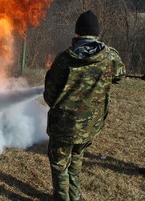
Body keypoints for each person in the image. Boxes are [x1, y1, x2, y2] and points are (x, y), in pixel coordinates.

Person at [43, 10, 126, 201]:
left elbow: (50, 96)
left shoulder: (64, 59)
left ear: (77, 33)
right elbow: (120, 75)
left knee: (59, 165)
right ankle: (76, 196)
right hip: (90, 125)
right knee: (76, 158)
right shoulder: (110, 57)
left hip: (63, 126)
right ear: (96, 33)